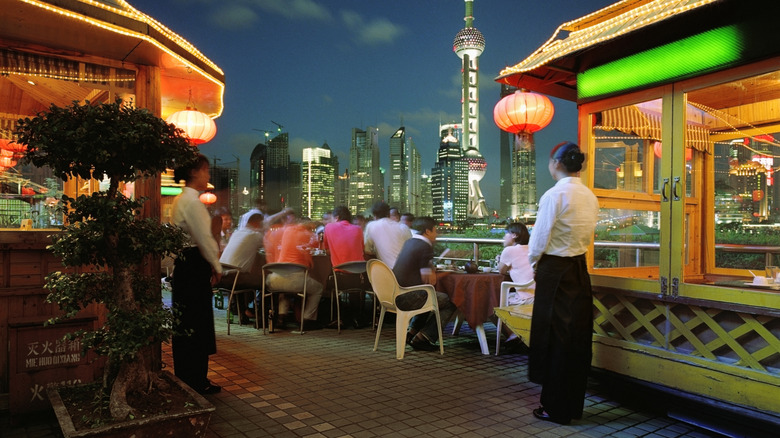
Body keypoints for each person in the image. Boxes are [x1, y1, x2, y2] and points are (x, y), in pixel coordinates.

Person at [527, 142, 599, 425]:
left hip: (555, 270)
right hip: (579, 269)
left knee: (553, 337)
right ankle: (572, 405)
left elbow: (539, 239)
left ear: (556, 164)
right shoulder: (590, 196)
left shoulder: (554, 195)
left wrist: (535, 264)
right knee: (577, 337)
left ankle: (554, 407)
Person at [170, 154, 223, 395]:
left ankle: (186, 376)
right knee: (198, 322)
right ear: (194, 172)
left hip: (184, 265)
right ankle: (197, 380)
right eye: (206, 170)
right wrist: (216, 265)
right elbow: (204, 238)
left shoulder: (180, 200)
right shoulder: (193, 202)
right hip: (195, 264)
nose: (208, 176)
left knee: (185, 322)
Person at [392, 217, 457, 351]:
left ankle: (412, 333)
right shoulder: (425, 246)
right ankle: (424, 337)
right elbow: (430, 280)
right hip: (409, 297)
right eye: (435, 230)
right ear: (428, 231)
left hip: (395, 293)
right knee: (450, 302)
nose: (437, 234)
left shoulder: (410, 242)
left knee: (429, 295)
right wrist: (449, 272)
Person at [266, 216, 324, 329]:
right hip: (296, 280)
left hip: (274, 279)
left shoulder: (287, 230)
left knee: (285, 288)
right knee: (318, 288)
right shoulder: (308, 235)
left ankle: (281, 317)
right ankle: (307, 319)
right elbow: (311, 257)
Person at [323, 206, 369, 327]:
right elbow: (361, 249)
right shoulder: (358, 229)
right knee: (354, 285)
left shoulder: (329, 227)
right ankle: (356, 318)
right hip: (358, 278)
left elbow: (326, 249)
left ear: (336, 217)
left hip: (339, 278)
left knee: (327, 283)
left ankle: (340, 318)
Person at [217, 213, 264, 323]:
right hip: (235, 278)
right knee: (264, 283)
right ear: (257, 223)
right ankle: (262, 317)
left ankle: (243, 313)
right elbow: (268, 246)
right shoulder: (255, 235)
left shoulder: (237, 233)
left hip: (222, 276)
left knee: (244, 277)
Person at [364, 201, 411, 269]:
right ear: (389, 214)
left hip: (389, 272)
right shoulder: (404, 227)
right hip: (409, 268)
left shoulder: (371, 226)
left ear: (374, 215)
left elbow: (367, 251)